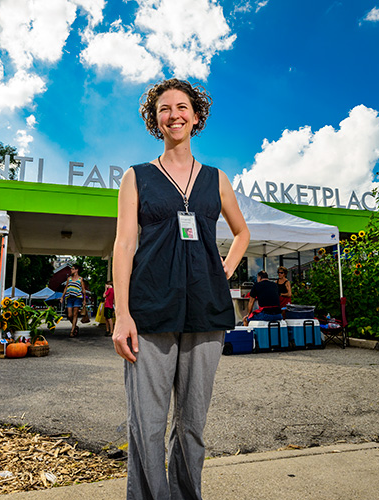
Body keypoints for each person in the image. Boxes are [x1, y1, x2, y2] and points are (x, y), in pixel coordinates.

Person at [112, 78, 249, 500]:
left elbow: (241, 233)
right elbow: (124, 244)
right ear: (156, 121)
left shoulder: (216, 179)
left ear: (196, 115)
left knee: (192, 426)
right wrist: (122, 314)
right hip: (150, 311)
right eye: (165, 109)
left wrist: (223, 269)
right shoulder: (136, 178)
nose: (174, 114)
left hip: (206, 313)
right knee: (147, 426)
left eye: (182, 107)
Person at [60, 264, 87, 338]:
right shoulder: (69, 278)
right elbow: (66, 288)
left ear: (76, 270)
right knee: (69, 315)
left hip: (77, 298)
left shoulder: (80, 279)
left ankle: (72, 331)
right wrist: (62, 297)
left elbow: (83, 290)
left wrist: (84, 300)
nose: (71, 270)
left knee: (75, 314)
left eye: (72, 269)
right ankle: (75, 326)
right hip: (69, 297)